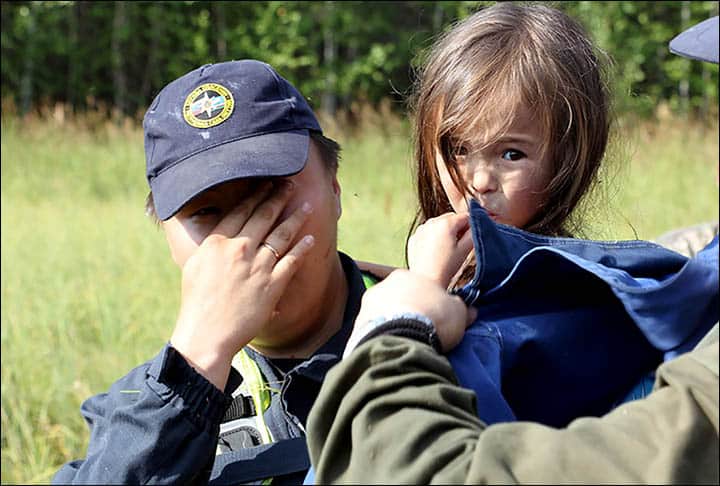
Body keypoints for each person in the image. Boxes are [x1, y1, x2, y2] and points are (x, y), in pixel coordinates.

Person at [305, 13, 720, 485]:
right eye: (459, 148)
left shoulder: (572, 314)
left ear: (570, 156)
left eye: (512, 154)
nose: (479, 181)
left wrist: (401, 318)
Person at [53, 60, 379, 485]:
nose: (246, 241)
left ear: (335, 190)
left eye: (270, 194)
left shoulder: (428, 332)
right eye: (207, 212)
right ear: (165, 235)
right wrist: (195, 369)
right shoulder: (137, 412)